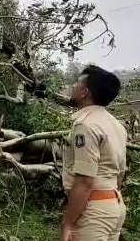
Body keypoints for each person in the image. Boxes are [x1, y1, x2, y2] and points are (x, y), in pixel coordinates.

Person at [60, 65, 127, 241]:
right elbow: (120, 173)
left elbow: (84, 181)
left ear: (84, 92)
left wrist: (68, 222)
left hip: (93, 209)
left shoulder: (86, 125)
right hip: (115, 205)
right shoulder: (116, 125)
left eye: (77, 83)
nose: (74, 86)